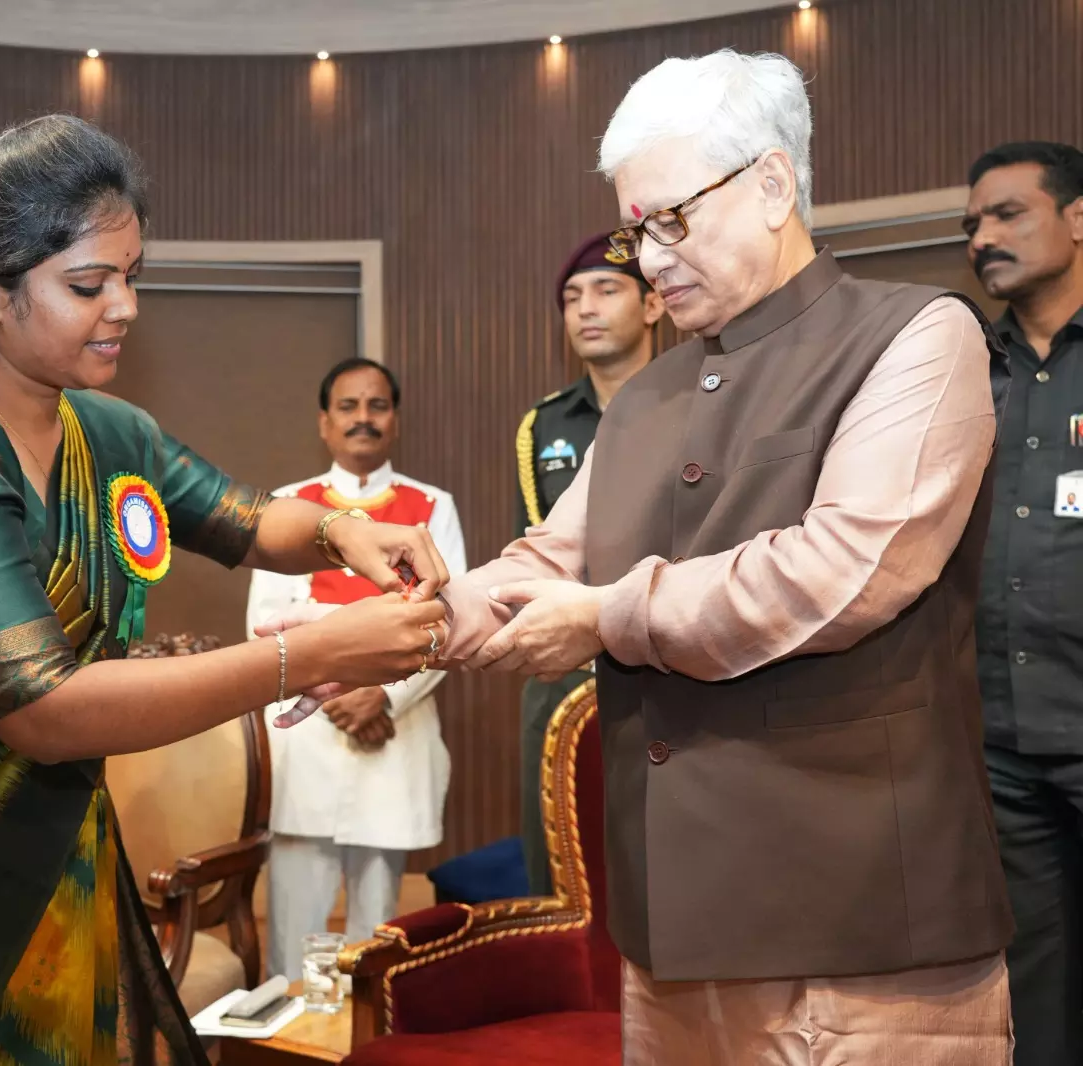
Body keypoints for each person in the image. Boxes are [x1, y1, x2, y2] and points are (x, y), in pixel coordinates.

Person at [275, 50, 1013, 1062]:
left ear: (771, 184)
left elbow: (844, 570)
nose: (648, 260)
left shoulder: (916, 336)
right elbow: (544, 562)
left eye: (671, 220)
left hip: (860, 925)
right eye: (635, 232)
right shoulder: (650, 399)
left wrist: (604, 615)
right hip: (670, 928)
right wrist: (387, 632)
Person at [0, 115, 449, 1066]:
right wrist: (302, 657)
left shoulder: (103, 431)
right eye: (88, 284)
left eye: (131, 276)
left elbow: (239, 517)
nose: (126, 308)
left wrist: (340, 529)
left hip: (32, 848)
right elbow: (43, 710)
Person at [247, 357, 466, 981]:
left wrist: (380, 696)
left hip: (391, 735)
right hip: (306, 738)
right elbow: (264, 622)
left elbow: (448, 619)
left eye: (377, 406)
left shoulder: (432, 505)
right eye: (348, 406)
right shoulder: (288, 506)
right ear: (325, 422)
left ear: (394, 419)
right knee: (294, 935)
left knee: (378, 941)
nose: (363, 419)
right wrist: (341, 683)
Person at [964, 139, 1083, 1066]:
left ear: (1078, 219)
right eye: (972, 224)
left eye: (1007, 214)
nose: (982, 237)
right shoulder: (967, 373)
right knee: (1032, 979)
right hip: (997, 740)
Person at [515, 234, 662, 896]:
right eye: (571, 297)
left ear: (655, 303)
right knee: (563, 859)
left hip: (669, 651)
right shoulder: (543, 426)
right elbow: (540, 549)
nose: (586, 308)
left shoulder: (701, 402)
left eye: (607, 289)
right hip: (569, 663)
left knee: (667, 856)